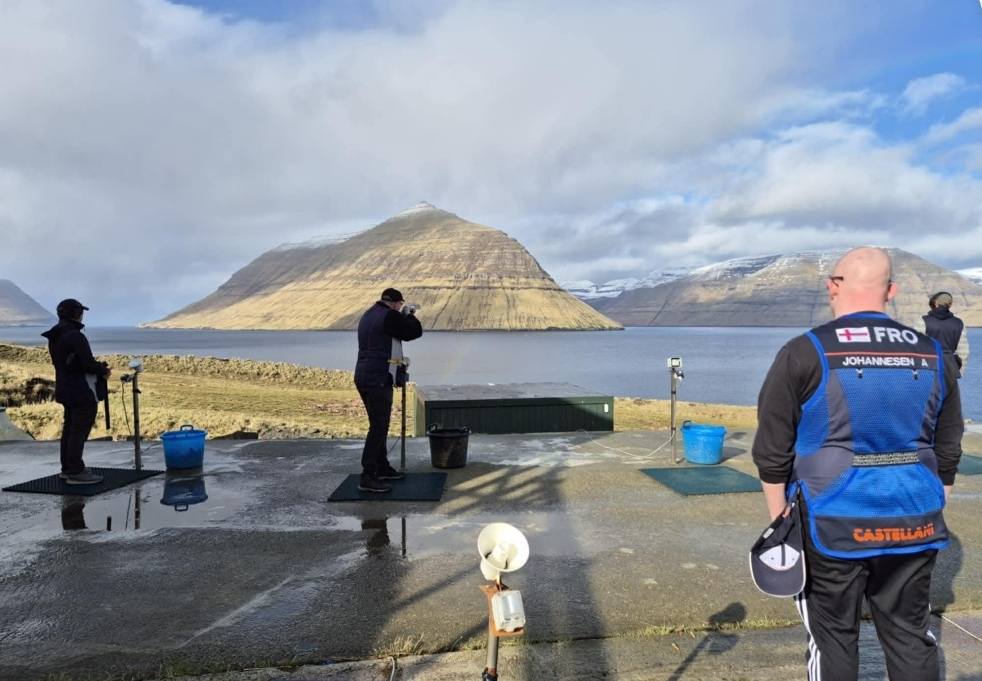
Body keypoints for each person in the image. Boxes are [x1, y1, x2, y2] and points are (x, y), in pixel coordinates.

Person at [752, 247, 963, 681]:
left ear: (833, 286)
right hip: (915, 519)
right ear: (891, 291)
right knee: (910, 636)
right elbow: (948, 443)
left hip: (831, 522)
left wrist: (781, 520)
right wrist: (936, 494)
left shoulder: (805, 352)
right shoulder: (933, 354)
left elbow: (772, 451)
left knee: (832, 640)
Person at [354, 288, 422, 493]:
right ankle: (368, 475)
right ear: (394, 303)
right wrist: (410, 315)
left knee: (377, 424)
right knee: (378, 427)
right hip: (378, 378)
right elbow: (414, 332)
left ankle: (381, 467)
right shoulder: (390, 316)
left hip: (363, 375)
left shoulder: (368, 314)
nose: (400, 308)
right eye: (400, 305)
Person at [41, 299, 112, 485]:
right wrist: (102, 369)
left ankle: (67, 468)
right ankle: (76, 471)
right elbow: (87, 364)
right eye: (80, 312)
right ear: (76, 313)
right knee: (79, 431)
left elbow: (70, 363)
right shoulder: (75, 336)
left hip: (65, 388)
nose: (82, 315)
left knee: (70, 429)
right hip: (81, 390)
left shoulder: (56, 335)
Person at [919, 291, 969, 377]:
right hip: (950, 369)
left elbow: (915, 346)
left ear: (935, 304)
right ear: (950, 305)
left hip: (928, 367)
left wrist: (917, 371)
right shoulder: (959, 323)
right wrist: (959, 372)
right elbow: (964, 352)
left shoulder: (923, 321)